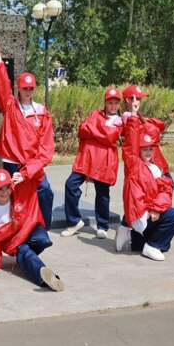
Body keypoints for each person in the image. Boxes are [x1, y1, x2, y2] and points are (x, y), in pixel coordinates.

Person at [0, 36, 55, 230]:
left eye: (31, 88)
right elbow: (2, 84)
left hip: (32, 165)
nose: (28, 91)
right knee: (10, 197)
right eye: (25, 88)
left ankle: (43, 228)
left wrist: (27, 172)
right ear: (19, 88)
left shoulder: (42, 112)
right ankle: (10, 228)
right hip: (12, 163)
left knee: (45, 192)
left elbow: (46, 150)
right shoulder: (10, 106)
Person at [0, 168, 64, 291]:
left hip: (29, 229)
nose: (4, 192)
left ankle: (25, 260)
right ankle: (45, 278)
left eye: (7, 187)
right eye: (0, 189)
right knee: (24, 251)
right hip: (13, 241)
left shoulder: (19, 190)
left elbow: (38, 176)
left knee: (43, 240)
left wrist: (24, 175)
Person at [115, 85, 173, 251]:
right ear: (127, 100)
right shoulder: (129, 119)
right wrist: (134, 114)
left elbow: (159, 126)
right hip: (138, 163)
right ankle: (130, 228)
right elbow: (132, 139)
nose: (138, 102)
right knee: (140, 196)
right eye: (135, 98)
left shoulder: (139, 118)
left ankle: (131, 229)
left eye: (139, 99)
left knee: (149, 194)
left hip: (153, 162)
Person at [61, 87, 123, 238]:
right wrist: (102, 131)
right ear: (105, 102)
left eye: (116, 103)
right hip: (87, 159)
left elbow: (111, 137)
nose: (113, 106)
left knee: (102, 194)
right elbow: (82, 129)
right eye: (110, 102)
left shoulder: (121, 121)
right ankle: (74, 221)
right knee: (70, 184)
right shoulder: (95, 113)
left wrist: (94, 129)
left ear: (119, 104)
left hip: (104, 161)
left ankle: (102, 225)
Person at [121, 111, 174, 261]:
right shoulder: (134, 165)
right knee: (171, 221)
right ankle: (147, 242)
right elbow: (130, 143)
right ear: (138, 150)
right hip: (139, 214)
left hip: (150, 214)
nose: (148, 152)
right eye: (144, 149)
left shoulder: (157, 168)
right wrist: (134, 115)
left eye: (150, 149)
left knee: (166, 240)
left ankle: (143, 241)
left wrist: (156, 208)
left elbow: (166, 190)